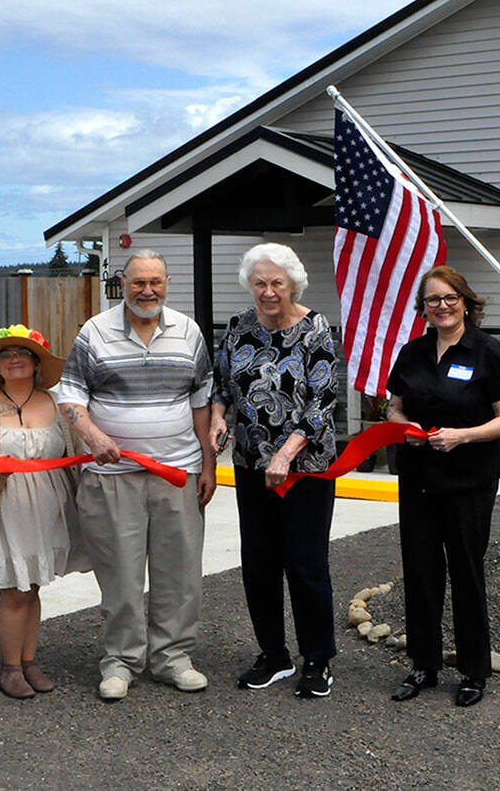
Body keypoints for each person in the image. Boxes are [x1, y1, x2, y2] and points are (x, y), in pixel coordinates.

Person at [58, 249, 216, 702]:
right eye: (138, 282)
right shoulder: (95, 332)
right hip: (112, 476)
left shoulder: (188, 332)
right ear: (122, 284)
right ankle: (120, 661)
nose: (147, 291)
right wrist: (91, 434)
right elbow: (71, 396)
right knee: (121, 575)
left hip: (177, 473)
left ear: (168, 283)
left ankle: (173, 659)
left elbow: (201, 401)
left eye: (156, 282)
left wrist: (208, 464)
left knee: (180, 572)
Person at [385, 266, 500, 708]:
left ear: (465, 301)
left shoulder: (489, 353)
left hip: (469, 480)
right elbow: (395, 407)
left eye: (449, 298)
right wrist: (403, 427)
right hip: (419, 479)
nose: (441, 306)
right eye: (432, 300)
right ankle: (423, 664)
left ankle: (473, 671)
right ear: (422, 308)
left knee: (465, 571)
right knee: (421, 571)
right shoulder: (412, 353)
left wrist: (461, 435)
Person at [208, 243, 340, 698]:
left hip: (306, 469)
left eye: (276, 283)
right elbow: (222, 386)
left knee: (305, 564)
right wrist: (219, 417)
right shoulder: (238, 327)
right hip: (250, 465)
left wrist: (286, 454)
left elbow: (323, 403)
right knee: (259, 564)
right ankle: (274, 654)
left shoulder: (315, 328)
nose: (268, 292)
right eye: (260, 283)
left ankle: (317, 658)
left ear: (292, 285)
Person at [0, 324, 86, 699]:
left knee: (33, 586)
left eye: (22, 354)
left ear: (36, 362)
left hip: (47, 506)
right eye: (5, 355)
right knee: (13, 593)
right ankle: (9, 668)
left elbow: (76, 452)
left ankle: (29, 662)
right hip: (4, 507)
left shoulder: (58, 404)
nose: (14, 360)